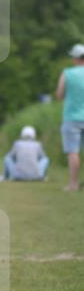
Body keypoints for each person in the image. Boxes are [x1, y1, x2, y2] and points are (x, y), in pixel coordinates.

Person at [55, 42, 84, 192]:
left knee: (73, 152)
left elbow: (59, 95)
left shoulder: (67, 73)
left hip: (72, 117)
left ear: (76, 58)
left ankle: (73, 184)